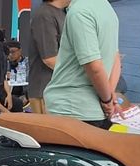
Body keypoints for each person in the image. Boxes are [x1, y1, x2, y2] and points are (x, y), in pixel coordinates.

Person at [43, 0, 121, 128]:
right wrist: (109, 96)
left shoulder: (79, 12)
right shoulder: (107, 9)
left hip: (72, 108)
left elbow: (94, 66)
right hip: (95, 110)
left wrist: (107, 100)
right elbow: (115, 57)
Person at [27, 0, 69, 114]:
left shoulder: (62, 14)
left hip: (57, 89)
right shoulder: (44, 15)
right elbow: (50, 59)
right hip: (45, 91)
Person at [7, 40, 28, 110]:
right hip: (8, 93)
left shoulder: (27, 63)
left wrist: (26, 95)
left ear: (20, 51)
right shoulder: (5, 63)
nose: (10, 55)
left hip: (23, 93)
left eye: (13, 52)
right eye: (8, 52)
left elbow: (30, 79)